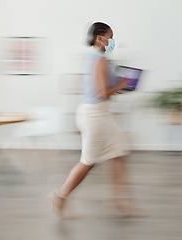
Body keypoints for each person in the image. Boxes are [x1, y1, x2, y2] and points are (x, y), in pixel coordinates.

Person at [51, 22, 140, 218]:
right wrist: (121, 85)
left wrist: (119, 86)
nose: (112, 41)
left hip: (100, 114)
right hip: (94, 116)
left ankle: (119, 202)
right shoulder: (98, 60)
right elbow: (100, 93)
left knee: (119, 151)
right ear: (99, 37)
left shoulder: (95, 59)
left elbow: (99, 90)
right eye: (110, 36)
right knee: (88, 161)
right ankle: (60, 196)